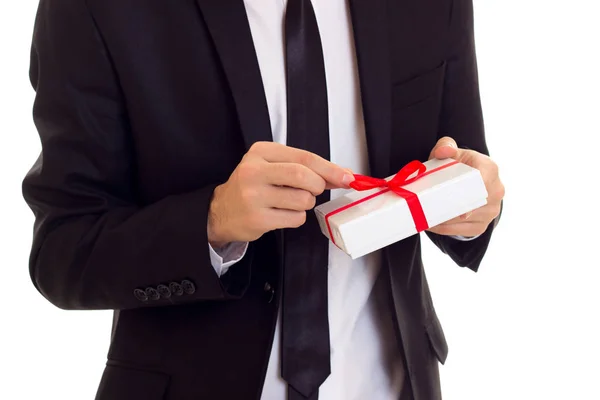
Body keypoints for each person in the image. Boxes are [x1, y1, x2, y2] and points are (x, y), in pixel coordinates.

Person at [22, 0, 504, 399]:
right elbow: (62, 251)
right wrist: (212, 223)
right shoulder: (95, 9)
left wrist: (477, 204)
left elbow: (461, 164)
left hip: (393, 382)